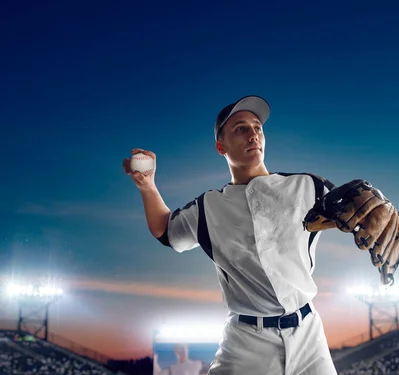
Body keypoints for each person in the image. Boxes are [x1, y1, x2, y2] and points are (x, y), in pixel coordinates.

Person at [123, 95, 339, 374]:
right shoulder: (208, 207)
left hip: (309, 336)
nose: (253, 135)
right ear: (219, 146)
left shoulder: (308, 186)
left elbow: (357, 210)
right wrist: (148, 186)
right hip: (247, 341)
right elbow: (166, 231)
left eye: (257, 127)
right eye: (241, 128)